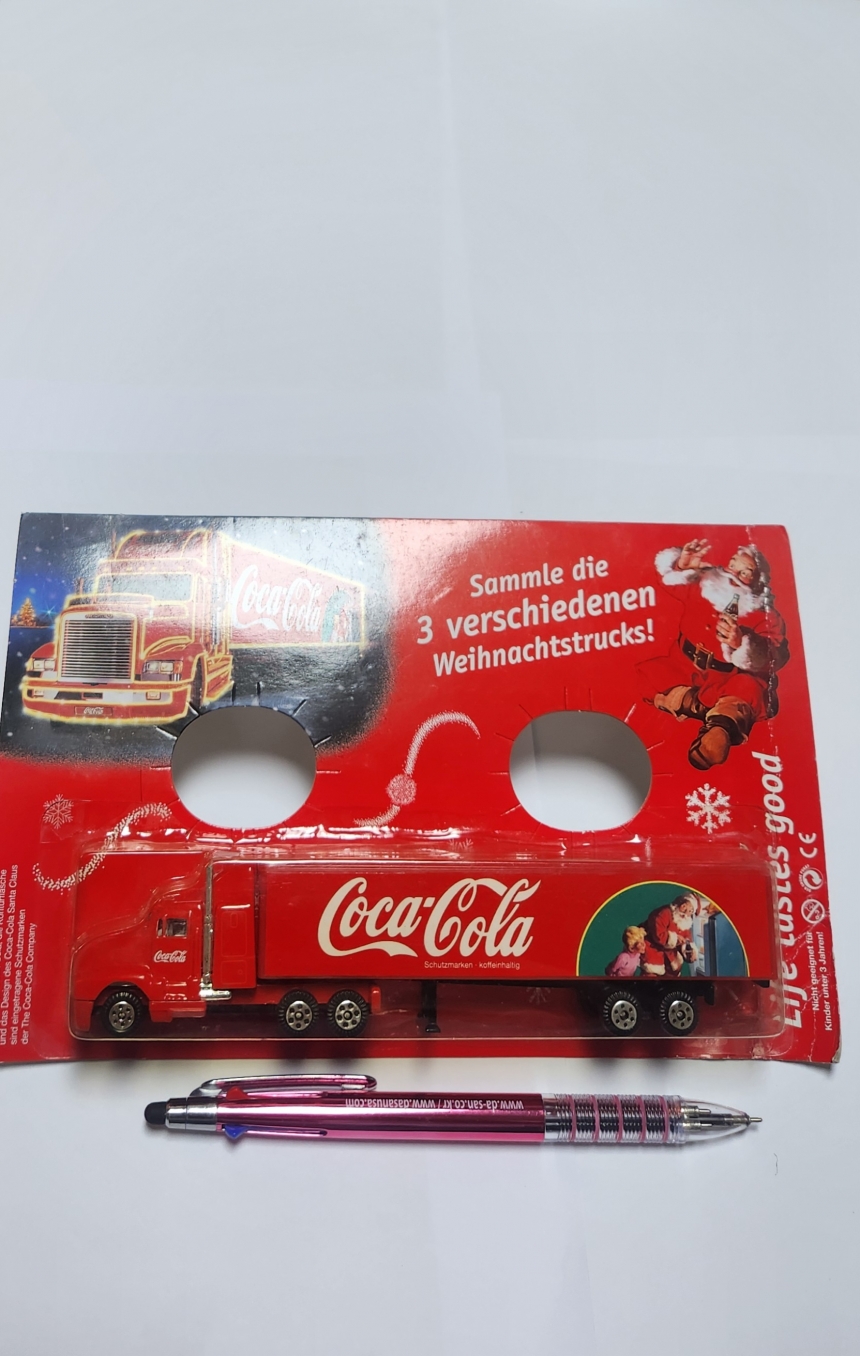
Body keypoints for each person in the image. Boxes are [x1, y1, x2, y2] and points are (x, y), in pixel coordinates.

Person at [637, 538, 789, 769]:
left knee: (748, 690)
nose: (734, 574)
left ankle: (720, 729)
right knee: (647, 676)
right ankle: (701, 707)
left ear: (759, 582)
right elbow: (670, 583)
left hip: (727, 677)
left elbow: (774, 656)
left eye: (745, 572)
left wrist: (741, 642)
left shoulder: (764, 616)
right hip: (684, 665)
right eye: (733, 565)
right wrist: (683, 566)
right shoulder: (704, 583)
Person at [640, 893, 699, 978]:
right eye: (684, 906)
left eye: (690, 911)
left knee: (673, 973)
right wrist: (676, 938)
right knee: (650, 974)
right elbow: (658, 935)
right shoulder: (663, 913)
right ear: (678, 903)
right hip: (652, 949)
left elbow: (686, 937)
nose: (685, 912)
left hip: (669, 954)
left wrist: (689, 950)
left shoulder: (684, 921)